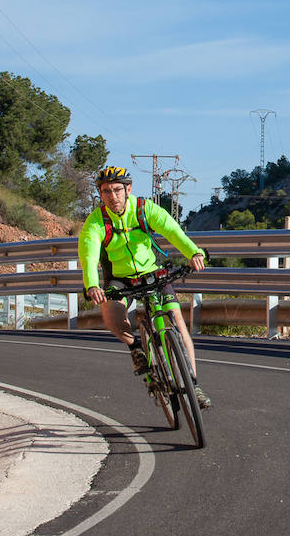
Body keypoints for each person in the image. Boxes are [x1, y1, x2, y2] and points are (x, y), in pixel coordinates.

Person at [78, 166, 211, 408]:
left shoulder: (143, 208)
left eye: (117, 190)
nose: (112, 196)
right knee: (112, 317)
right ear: (100, 194)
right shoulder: (96, 221)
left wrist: (193, 252)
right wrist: (92, 285)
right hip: (119, 278)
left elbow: (172, 230)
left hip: (152, 273)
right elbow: (88, 254)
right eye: (106, 191)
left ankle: (194, 385)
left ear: (128, 189)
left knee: (178, 323)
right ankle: (136, 348)